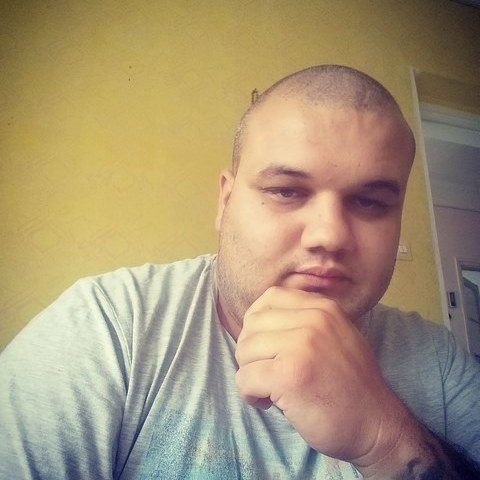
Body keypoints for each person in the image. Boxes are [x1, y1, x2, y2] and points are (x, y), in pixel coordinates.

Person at [0, 65, 479, 480]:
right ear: (225, 201)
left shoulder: (437, 361)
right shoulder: (110, 328)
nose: (329, 235)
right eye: (286, 191)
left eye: (370, 202)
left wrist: (386, 440)